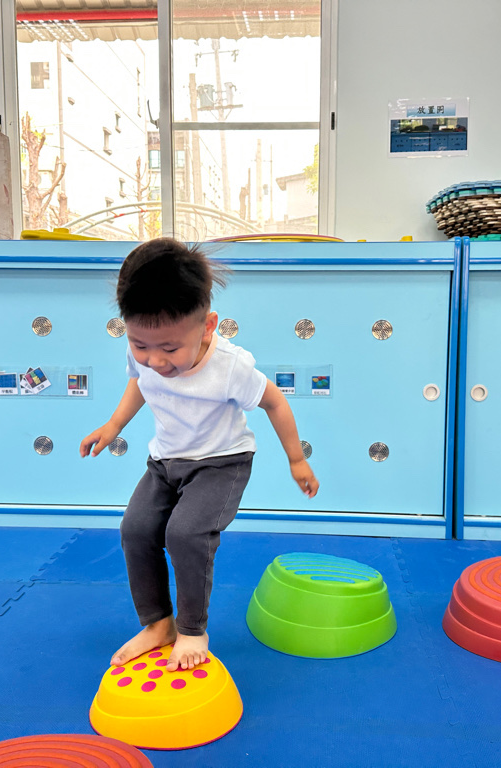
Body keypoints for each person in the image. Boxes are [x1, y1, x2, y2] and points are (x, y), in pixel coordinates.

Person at [80, 237, 319, 673]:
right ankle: (158, 624)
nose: (155, 360)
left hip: (222, 463)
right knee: (136, 529)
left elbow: (274, 402)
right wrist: (113, 425)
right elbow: (139, 382)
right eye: (140, 345)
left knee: (186, 534)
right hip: (165, 462)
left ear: (208, 326)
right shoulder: (144, 350)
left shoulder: (230, 367)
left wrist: (296, 459)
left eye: (170, 349)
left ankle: (192, 630)